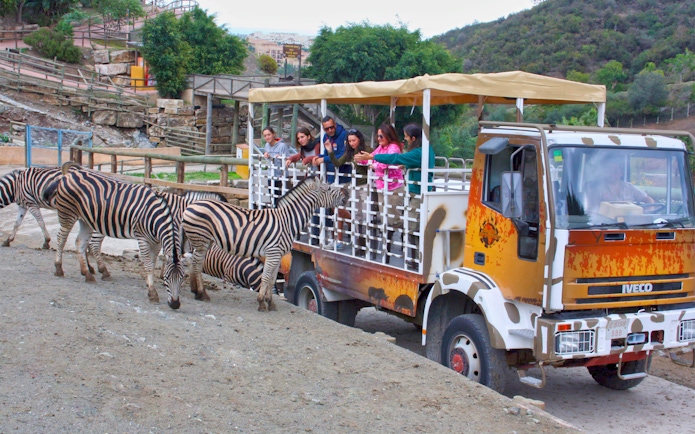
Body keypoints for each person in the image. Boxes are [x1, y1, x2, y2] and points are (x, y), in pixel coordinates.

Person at [355, 123, 434, 270]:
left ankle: (416, 260)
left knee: (409, 226)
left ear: (414, 138)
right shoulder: (423, 150)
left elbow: (395, 158)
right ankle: (413, 258)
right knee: (406, 223)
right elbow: (405, 160)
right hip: (408, 190)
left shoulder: (419, 152)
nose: (405, 140)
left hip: (412, 191)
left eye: (407, 137)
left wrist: (372, 157)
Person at [315, 129, 374, 255]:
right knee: (357, 214)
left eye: (354, 140)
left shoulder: (367, 150)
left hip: (365, 184)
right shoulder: (349, 152)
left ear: (359, 139)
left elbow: (374, 163)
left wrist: (365, 161)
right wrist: (330, 151)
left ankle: (367, 243)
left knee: (366, 214)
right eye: (350, 141)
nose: (352, 143)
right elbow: (337, 163)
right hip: (355, 185)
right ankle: (360, 243)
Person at [589, 159, 654, 212]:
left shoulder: (629, 187)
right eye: (609, 171)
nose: (612, 174)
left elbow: (648, 199)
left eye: (615, 171)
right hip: (607, 224)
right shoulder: (598, 188)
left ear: (621, 173)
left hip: (630, 224)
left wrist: (649, 210)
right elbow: (593, 209)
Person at [262, 126, 290, 206]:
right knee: (273, 200)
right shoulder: (266, 146)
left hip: (281, 177)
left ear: (274, 134)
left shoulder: (282, 146)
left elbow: (288, 159)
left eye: (269, 134)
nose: (267, 137)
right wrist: (266, 155)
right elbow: (269, 159)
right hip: (271, 176)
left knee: (281, 201)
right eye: (265, 135)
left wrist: (281, 159)